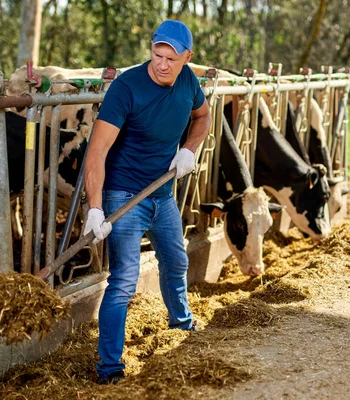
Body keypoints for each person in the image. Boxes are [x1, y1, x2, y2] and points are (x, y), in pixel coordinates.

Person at [83, 19, 212, 385]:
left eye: (172, 58)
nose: (162, 64)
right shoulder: (127, 87)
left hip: (161, 194)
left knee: (176, 260)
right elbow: (97, 151)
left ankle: (182, 324)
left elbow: (203, 116)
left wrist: (189, 148)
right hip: (124, 195)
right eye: (157, 54)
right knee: (124, 279)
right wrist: (95, 207)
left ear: (187, 58)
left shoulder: (188, 81)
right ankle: (110, 369)